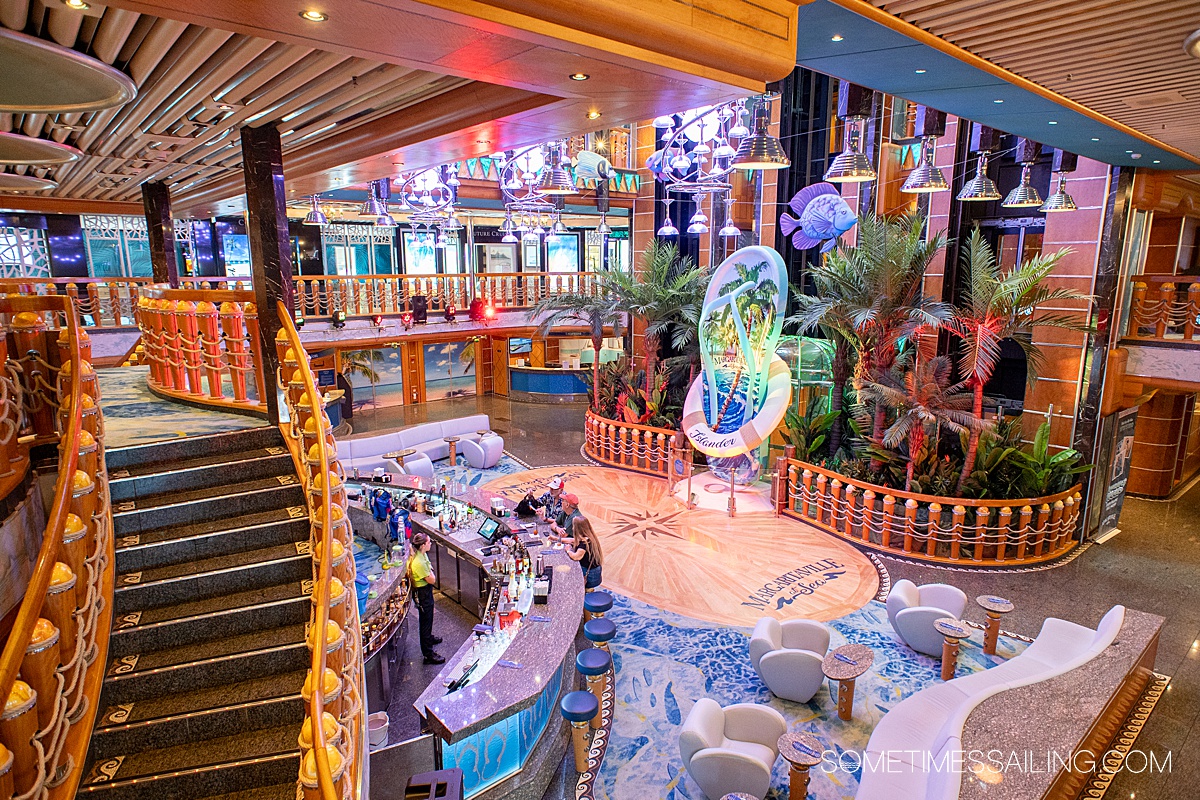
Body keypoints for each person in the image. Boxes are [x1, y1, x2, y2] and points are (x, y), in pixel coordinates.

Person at [407, 532, 444, 664]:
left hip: (426, 591)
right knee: (425, 621)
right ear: (423, 545)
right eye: (429, 542)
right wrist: (431, 573)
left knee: (428, 618)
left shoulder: (422, 554)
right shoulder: (418, 563)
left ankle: (429, 638)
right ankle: (428, 653)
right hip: (423, 594)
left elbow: (431, 569)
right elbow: (432, 579)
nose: (431, 544)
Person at [565, 516, 604, 589]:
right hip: (595, 573)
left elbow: (576, 556)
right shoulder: (589, 538)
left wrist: (568, 550)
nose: (572, 528)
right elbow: (572, 540)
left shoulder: (584, 544)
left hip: (590, 576)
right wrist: (558, 539)